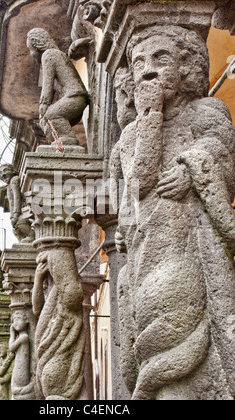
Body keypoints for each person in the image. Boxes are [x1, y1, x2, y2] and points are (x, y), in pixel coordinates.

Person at [110, 24, 235, 400]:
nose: (148, 69)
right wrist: (149, 116)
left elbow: (225, 158)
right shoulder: (131, 135)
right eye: (138, 63)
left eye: (160, 58)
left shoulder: (207, 111)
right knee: (148, 350)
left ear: (186, 67)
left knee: (181, 359)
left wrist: (194, 167)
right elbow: (137, 182)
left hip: (190, 251)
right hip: (146, 253)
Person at [26, 28, 89, 147]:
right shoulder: (54, 54)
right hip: (73, 101)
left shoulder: (49, 55)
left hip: (75, 97)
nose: (31, 53)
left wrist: (43, 106)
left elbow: (47, 86)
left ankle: (69, 139)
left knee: (50, 115)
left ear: (38, 45)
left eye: (31, 49)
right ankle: (61, 143)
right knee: (46, 121)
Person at [0, 164, 34, 243]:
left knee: (19, 222)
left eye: (5, 170)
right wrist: (12, 217)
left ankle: (31, 235)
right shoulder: (8, 186)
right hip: (17, 212)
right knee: (15, 227)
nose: (3, 174)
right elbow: (11, 202)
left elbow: (17, 197)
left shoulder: (14, 179)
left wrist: (16, 214)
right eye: (0, 173)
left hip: (24, 209)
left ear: (13, 170)